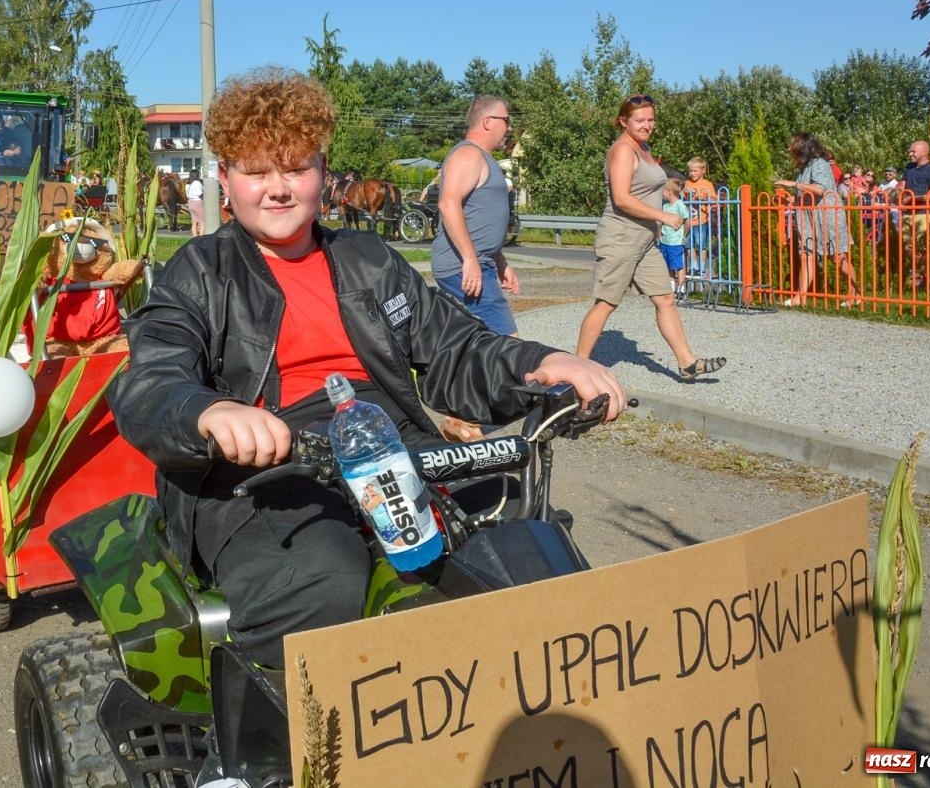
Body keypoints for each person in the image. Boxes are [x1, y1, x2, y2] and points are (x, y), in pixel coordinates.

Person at [108, 73, 627, 670]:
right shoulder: (198, 272)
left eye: (296, 168)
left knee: (515, 533)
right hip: (260, 466)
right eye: (257, 171)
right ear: (226, 180)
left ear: (323, 174)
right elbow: (151, 380)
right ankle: (283, 756)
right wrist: (211, 412)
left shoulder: (369, 260)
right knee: (320, 578)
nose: (278, 189)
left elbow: (454, 347)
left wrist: (542, 362)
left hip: (385, 436)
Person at [574, 94, 726, 380]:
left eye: (651, 119)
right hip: (621, 236)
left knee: (665, 298)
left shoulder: (643, 148)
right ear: (623, 121)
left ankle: (687, 362)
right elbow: (621, 199)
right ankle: (576, 369)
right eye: (640, 120)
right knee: (606, 302)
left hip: (644, 241)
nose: (647, 125)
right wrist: (664, 216)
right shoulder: (622, 151)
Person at [431, 96, 520, 335]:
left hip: (478, 262)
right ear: (488, 122)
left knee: (478, 342)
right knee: (509, 343)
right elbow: (448, 204)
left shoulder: (482, 157)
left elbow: (480, 218)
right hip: (463, 265)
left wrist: (500, 262)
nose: (509, 127)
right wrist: (470, 260)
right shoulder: (468, 155)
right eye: (506, 120)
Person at [775, 132, 861, 308]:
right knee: (806, 254)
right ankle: (801, 296)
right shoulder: (804, 168)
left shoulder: (819, 164)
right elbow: (806, 194)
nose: (788, 149)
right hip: (808, 217)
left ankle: (855, 295)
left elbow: (820, 189)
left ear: (801, 147)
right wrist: (791, 199)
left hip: (827, 215)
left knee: (837, 257)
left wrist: (793, 184)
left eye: (791, 145)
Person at [899, 139, 930, 289]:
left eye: (913, 151)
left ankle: (927, 280)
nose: (910, 153)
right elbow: (901, 186)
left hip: (926, 213)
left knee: (923, 248)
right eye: (910, 151)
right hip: (907, 213)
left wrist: (915, 198)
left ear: (924, 152)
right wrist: (895, 193)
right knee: (907, 247)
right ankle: (921, 272)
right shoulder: (909, 168)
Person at [682, 157, 717, 281]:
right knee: (688, 244)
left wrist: (705, 198)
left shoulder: (707, 184)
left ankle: (702, 268)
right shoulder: (688, 183)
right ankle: (694, 266)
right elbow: (684, 197)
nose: (692, 173)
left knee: (701, 244)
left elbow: (714, 200)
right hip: (689, 220)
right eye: (690, 171)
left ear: (703, 171)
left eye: (695, 171)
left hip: (702, 220)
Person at [658, 176, 691, 296]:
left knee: (678, 265)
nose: (662, 193)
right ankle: (671, 289)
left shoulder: (679, 205)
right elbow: (662, 221)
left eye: (663, 191)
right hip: (664, 240)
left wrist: (684, 234)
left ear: (669, 192)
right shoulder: (665, 205)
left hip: (675, 241)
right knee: (668, 265)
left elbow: (687, 221)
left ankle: (681, 289)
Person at [185, 169, 205, 237]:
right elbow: (200, 194)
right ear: (197, 175)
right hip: (198, 203)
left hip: (190, 202)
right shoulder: (197, 183)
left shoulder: (188, 184)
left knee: (194, 222)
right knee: (203, 221)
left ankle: (195, 238)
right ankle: (201, 238)